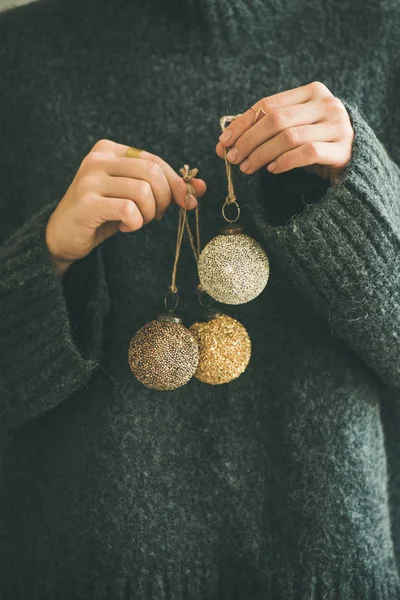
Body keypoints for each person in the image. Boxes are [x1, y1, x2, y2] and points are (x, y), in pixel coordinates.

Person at [0, 0, 399, 597]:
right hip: (83, 572)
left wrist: (361, 194)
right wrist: (51, 254)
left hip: (328, 575)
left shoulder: (386, 36)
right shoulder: (17, 53)